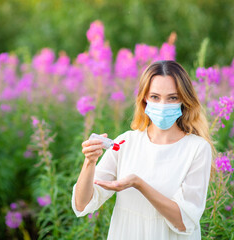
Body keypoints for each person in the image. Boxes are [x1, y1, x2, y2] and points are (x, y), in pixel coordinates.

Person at [72, 60, 214, 239]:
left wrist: (138, 184)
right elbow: (82, 204)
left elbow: (183, 221)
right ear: (144, 99)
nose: (163, 105)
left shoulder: (197, 149)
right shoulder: (125, 142)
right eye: (155, 97)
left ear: (184, 100)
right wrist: (89, 162)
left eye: (172, 97)